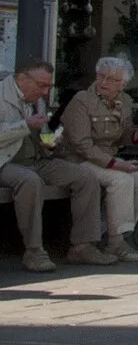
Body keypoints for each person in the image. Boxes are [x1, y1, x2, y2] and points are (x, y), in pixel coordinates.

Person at [0, 59, 104, 270]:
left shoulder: (36, 100)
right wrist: (25, 125)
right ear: (21, 79)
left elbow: (42, 134)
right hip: (5, 161)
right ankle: (34, 251)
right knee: (30, 181)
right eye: (41, 85)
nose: (46, 92)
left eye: (49, 86)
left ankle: (83, 246)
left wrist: (50, 142)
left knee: (85, 176)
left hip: (37, 160)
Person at [54, 56, 138, 262]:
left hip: (107, 158)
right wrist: (116, 164)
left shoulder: (124, 101)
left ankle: (115, 235)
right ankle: (116, 243)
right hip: (78, 160)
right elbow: (81, 144)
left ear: (123, 84)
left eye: (111, 79)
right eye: (101, 76)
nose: (103, 83)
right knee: (121, 179)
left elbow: (124, 135)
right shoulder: (82, 100)